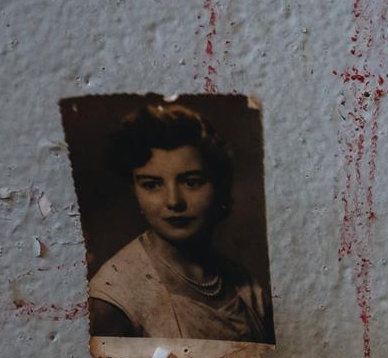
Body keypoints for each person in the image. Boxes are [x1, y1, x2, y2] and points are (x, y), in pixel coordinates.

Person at [88, 103, 273, 343]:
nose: (174, 201)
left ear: (218, 185)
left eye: (192, 182)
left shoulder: (245, 286)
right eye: (152, 185)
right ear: (134, 191)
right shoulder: (113, 300)